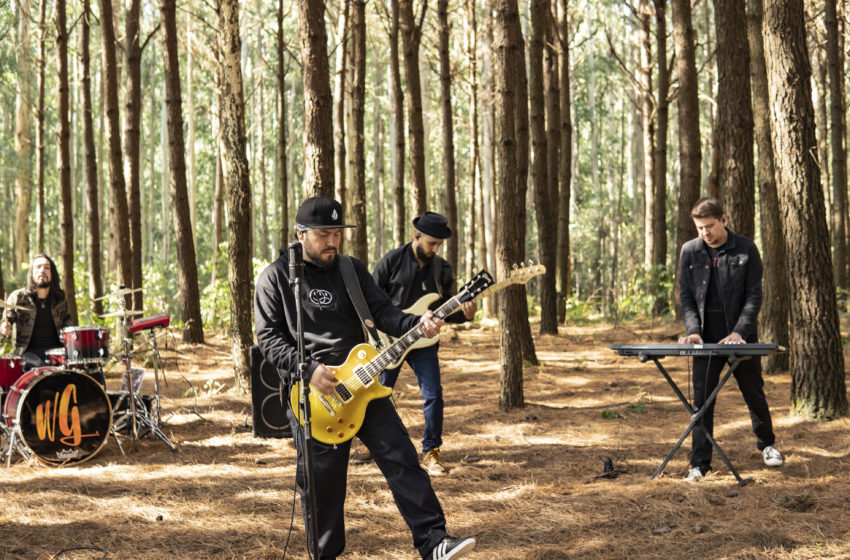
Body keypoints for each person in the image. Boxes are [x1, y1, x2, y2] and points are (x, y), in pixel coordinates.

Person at [255, 197, 476, 560]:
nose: (332, 242)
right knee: (323, 487)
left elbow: (385, 313)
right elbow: (268, 338)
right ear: (301, 234)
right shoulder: (277, 277)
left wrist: (416, 324)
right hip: (314, 396)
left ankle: (434, 541)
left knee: (403, 459)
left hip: (364, 384)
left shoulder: (350, 270)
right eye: (324, 234)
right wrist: (308, 369)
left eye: (337, 234)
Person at [677, 197, 783, 482]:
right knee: (701, 403)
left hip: (741, 338)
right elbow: (686, 297)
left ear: (723, 219)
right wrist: (692, 331)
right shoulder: (689, 251)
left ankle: (767, 445)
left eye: (710, 226)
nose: (705, 233)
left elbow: (754, 296)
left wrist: (740, 332)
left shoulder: (746, 249)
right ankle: (699, 464)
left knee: (754, 394)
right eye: (700, 228)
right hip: (705, 342)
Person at [372, 211, 476, 476]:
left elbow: (446, 311)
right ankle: (376, 446)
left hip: (425, 343)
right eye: (432, 243)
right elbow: (370, 300)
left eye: (439, 244)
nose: (435, 248)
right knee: (378, 395)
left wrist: (465, 314)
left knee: (433, 395)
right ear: (416, 234)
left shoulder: (442, 268)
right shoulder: (392, 261)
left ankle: (431, 452)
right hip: (390, 340)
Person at [1, 253, 72, 371]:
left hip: (57, 353)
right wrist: (4, 328)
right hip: (26, 354)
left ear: (52, 273)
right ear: (31, 273)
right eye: (38, 267)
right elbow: (6, 321)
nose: (42, 270)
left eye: (46, 267)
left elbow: (68, 324)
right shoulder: (18, 297)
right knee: (41, 368)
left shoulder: (60, 299)